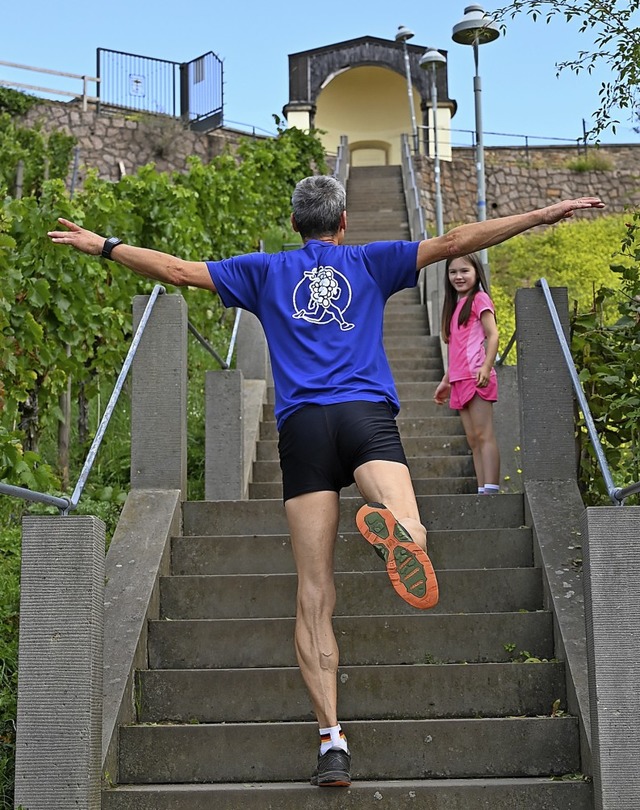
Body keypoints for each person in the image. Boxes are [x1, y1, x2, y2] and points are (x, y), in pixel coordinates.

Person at [47, 176, 604, 788]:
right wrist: (545, 213)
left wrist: (103, 245)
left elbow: (177, 271)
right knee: (407, 516)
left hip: (303, 430)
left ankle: (331, 742)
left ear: (295, 225)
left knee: (314, 595)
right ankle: (400, 529)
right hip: (365, 418)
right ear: (343, 224)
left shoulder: (263, 271)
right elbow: (457, 241)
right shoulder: (369, 260)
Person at [434, 253, 500, 494]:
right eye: (453, 272)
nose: (459, 276)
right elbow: (455, 348)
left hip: (477, 376)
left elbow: (493, 334)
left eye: (465, 271)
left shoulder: (480, 299)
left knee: (484, 434)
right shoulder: (454, 307)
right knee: (473, 439)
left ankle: (492, 489)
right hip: (459, 379)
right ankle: (482, 489)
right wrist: (446, 381)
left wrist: (486, 366)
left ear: (476, 273)